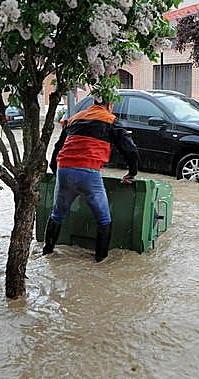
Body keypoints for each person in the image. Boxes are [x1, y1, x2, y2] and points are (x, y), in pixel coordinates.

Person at [43, 97, 139, 262]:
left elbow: (58, 148)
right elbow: (130, 149)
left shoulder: (75, 118)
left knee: (57, 214)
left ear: (94, 102)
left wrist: (56, 172)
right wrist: (132, 172)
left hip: (64, 169)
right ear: (110, 105)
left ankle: (47, 252)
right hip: (89, 172)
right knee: (104, 219)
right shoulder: (110, 120)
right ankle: (101, 260)